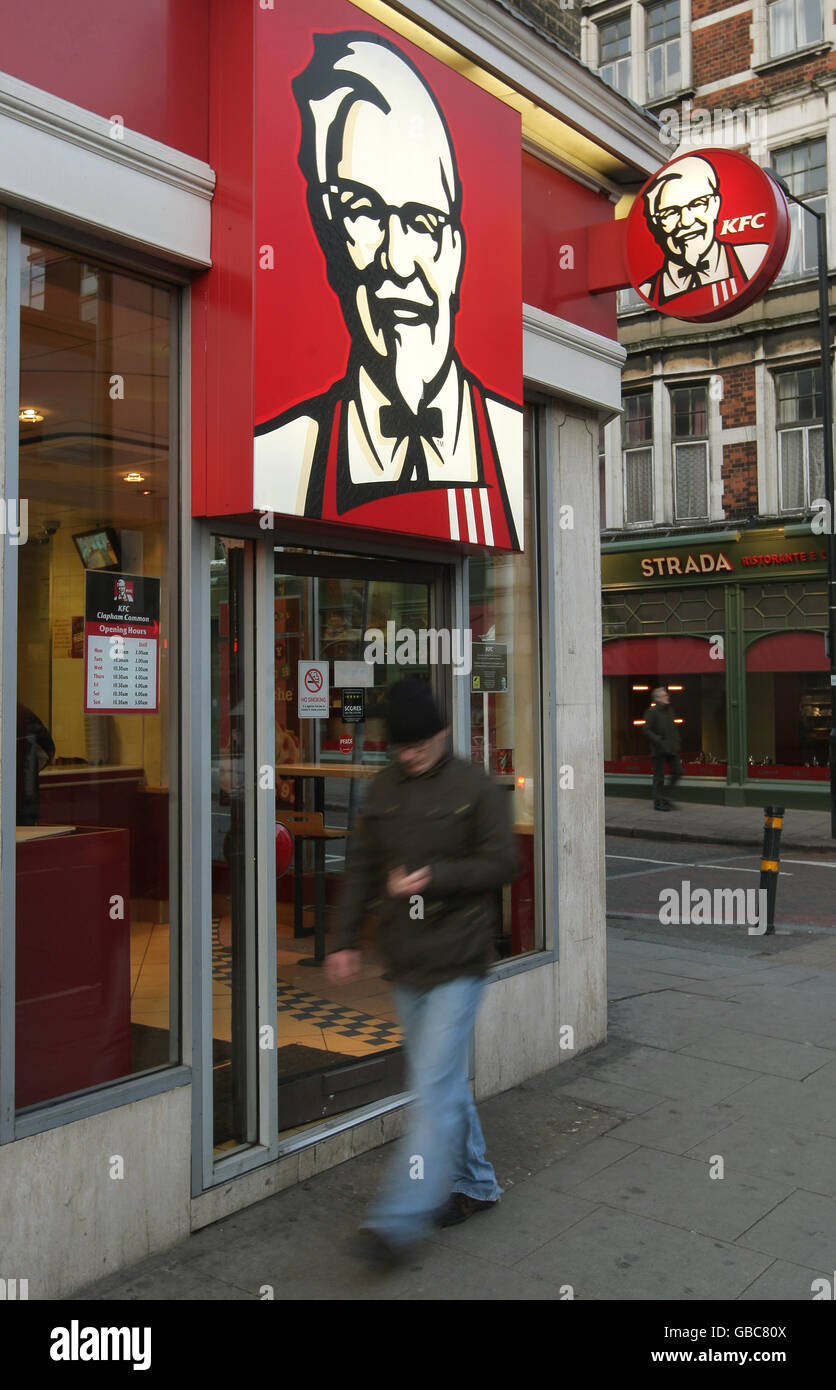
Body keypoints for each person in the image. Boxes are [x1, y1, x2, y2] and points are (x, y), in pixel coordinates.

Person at [254, 30, 522, 549]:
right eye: (362, 212)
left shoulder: (514, 450)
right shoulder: (281, 455)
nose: (397, 261)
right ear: (331, 243)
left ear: (458, 251)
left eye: (423, 220)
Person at [325, 676, 518, 1264]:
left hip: (459, 959)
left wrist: (435, 877)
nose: (407, 756)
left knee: (431, 1087)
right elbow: (361, 866)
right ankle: (477, 1182)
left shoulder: (475, 786)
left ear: (442, 733)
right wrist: (341, 940)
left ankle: (397, 1221)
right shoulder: (384, 786)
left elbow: (504, 862)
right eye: (398, 747)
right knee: (446, 1081)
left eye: (417, 746)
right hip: (406, 960)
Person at [638, 155, 769, 312]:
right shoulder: (647, 290)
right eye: (670, 212)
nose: (686, 221)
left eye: (697, 204)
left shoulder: (753, 259)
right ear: (656, 223)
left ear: (715, 205)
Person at [16, 701, 55, 825]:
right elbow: (47, 750)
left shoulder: (19, 713)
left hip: (22, 799)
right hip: (23, 799)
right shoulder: (22, 713)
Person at [644, 686, 681, 812]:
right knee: (659, 777)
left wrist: (676, 741)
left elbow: (673, 727)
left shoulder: (669, 710)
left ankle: (664, 797)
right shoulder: (652, 712)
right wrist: (658, 740)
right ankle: (658, 803)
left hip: (671, 748)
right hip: (659, 749)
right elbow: (646, 729)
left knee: (678, 771)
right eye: (665, 695)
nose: (667, 697)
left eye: (667, 695)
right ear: (658, 698)